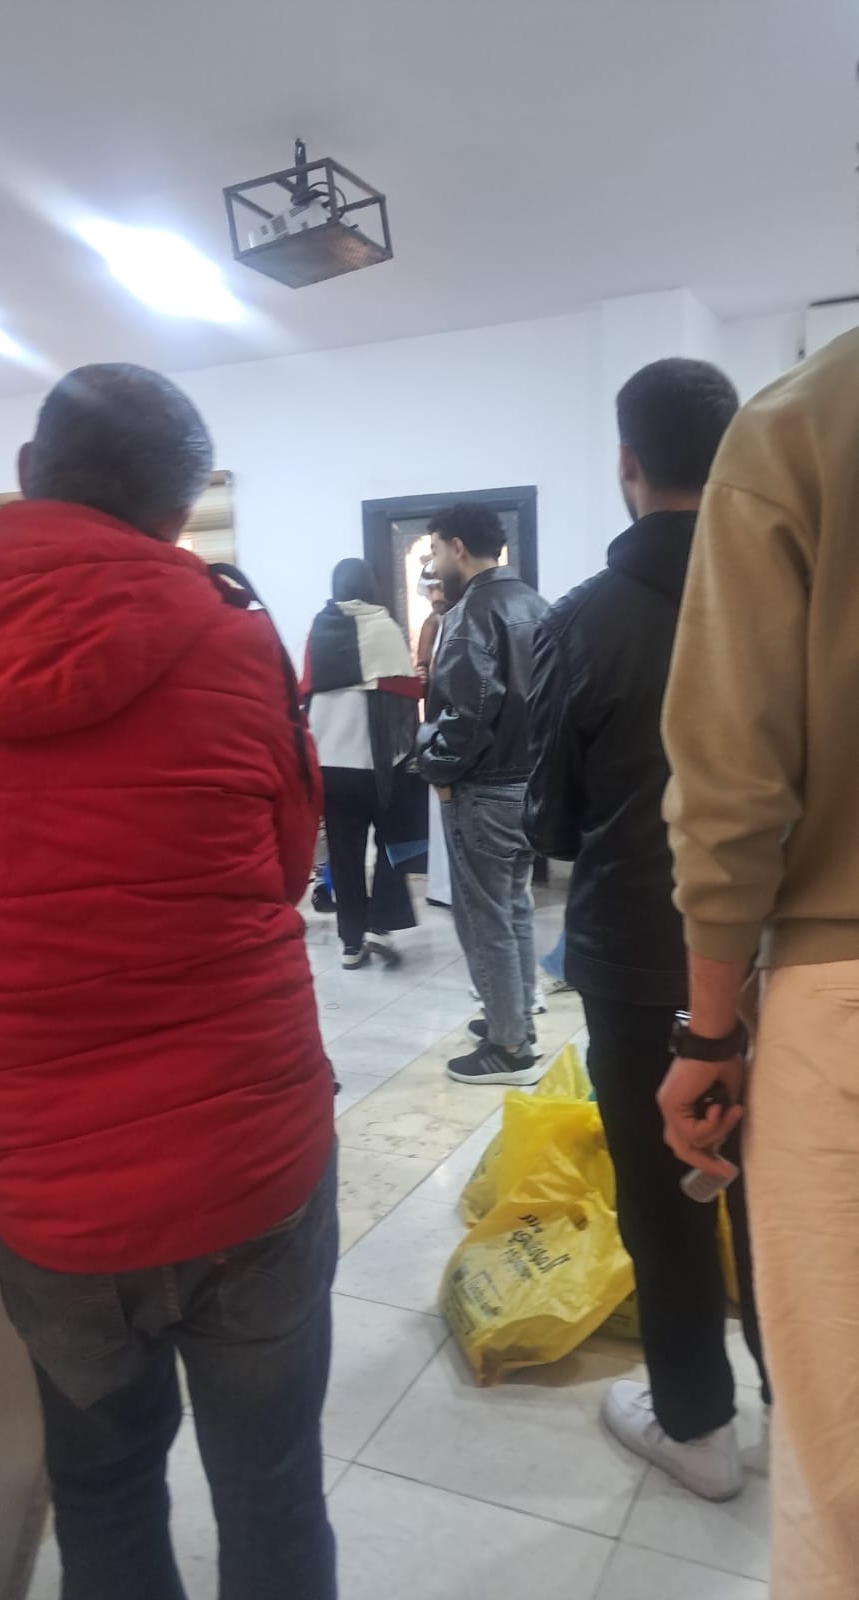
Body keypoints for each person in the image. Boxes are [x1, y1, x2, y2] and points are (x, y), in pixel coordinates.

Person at [0, 364, 337, 1600]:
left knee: (102, 1490)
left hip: (50, 1181)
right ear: (181, 513)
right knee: (272, 1489)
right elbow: (288, 867)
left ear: (26, 473)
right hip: (249, 1150)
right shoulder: (235, 636)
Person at [525, 358, 768, 1504]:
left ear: (627, 463)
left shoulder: (581, 618)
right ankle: (813, 1407)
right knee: (787, 1185)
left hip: (636, 955)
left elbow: (552, 822)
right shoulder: (798, 593)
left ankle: (698, 1426)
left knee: (663, 1188)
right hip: (779, 958)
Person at [658, 330, 859, 1595]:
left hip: (844, 978)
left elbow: (735, 783)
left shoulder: (809, 420)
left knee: (841, 1475)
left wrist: (709, 1032)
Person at [418, 503, 548, 1084]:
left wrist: (434, 764)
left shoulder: (471, 614)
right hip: (529, 785)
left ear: (458, 547)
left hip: (484, 787)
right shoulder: (535, 604)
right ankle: (515, 1021)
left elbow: (467, 715)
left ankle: (509, 1048)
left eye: (435, 550)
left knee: (485, 917)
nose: (434, 563)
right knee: (514, 907)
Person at [304, 558, 424, 969]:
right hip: (379, 766)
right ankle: (380, 922)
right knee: (392, 843)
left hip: (331, 766)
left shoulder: (318, 630)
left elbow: (306, 696)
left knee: (344, 854)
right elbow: (405, 696)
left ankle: (351, 944)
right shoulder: (384, 626)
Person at [416, 562, 453, 908]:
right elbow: (422, 674)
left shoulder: (468, 618)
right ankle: (442, 888)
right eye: (431, 589)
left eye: (440, 586)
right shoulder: (431, 625)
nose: (437, 595)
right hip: (439, 727)